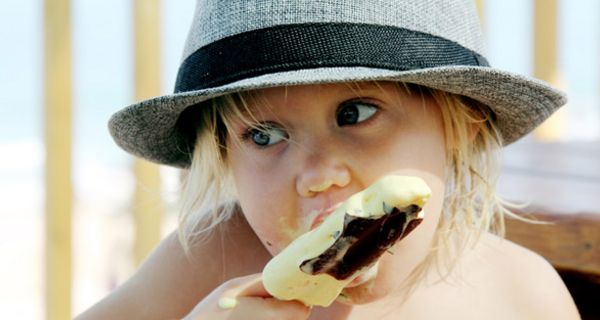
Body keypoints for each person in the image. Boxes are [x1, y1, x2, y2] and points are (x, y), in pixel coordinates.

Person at [76, 0, 581, 319]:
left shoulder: (520, 293)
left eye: (355, 113)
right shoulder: (210, 263)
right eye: (265, 134)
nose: (317, 176)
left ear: (462, 124)